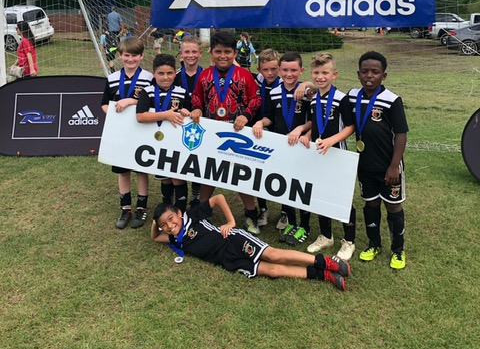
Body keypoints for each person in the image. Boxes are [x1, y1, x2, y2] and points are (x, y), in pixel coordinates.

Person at [151, 194, 351, 291]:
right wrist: (155, 224)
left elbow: (218, 198)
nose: (169, 226)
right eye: (164, 225)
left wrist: (231, 222)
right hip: (226, 261)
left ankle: (326, 262)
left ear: (179, 213)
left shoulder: (191, 215)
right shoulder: (174, 238)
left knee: (274, 255)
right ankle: (323, 275)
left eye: (171, 219)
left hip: (232, 241)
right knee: (274, 271)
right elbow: (155, 237)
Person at [340, 51, 408, 269]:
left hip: (388, 167)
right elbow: (332, 99)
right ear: (358, 74)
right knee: (371, 204)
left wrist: (394, 165)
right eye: (365, 71)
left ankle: (398, 250)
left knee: (393, 207)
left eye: (375, 72)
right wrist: (309, 88)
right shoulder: (352, 96)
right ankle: (374, 244)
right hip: (365, 165)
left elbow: (401, 134)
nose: (369, 76)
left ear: (383, 75)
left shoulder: (392, 100)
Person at [190, 30, 262, 234]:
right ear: (211, 52)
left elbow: (256, 98)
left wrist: (246, 115)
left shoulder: (244, 75)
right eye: (218, 51)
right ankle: (202, 211)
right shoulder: (204, 75)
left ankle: (251, 214)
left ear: (234, 53)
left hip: (237, 133)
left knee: (240, 174)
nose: (223, 56)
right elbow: (197, 96)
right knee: (209, 173)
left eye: (227, 52)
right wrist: (197, 108)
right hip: (212, 134)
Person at [295, 53, 357, 261]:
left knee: (342, 198)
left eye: (325, 73)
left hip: (338, 153)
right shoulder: (314, 98)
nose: (320, 77)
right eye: (316, 73)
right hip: (319, 153)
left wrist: (331, 140)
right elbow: (316, 123)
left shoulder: (341, 98)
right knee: (320, 194)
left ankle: (349, 241)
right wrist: (308, 135)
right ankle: (326, 236)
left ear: (334, 74)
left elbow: (350, 127)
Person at [252, 51, 311, 245]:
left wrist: (301, 129)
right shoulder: (274, 92)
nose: (289, 74)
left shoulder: (307, 92)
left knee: (301, 185)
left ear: (301, 70)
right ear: (280, 70)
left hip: (301, 146)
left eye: (293, 70)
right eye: (285, 70)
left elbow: (314, 119)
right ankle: (291, 222)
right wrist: (260, 122)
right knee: (286, 184)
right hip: (282, 146)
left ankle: (305, 225)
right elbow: (269, 117)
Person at [101, 37, 153, 229]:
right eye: (127, 55)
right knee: (122, 171)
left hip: (141, 131)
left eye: (135, 55)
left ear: (141, 56)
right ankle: (125, 209)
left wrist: (131, 101)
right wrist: (114, 116)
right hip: (120, 134)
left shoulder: (149, 78)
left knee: (141, 169)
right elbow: (104, 103)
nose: (130, 59)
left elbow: (153, 102)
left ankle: (141, 208)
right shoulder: (112, 78)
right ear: (120, 55)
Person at [137, 54, 191, 212]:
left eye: (169, 73)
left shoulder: (182, 92)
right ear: (153, 73)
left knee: (178, 177)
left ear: (175, 73)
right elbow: (140, 116)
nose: (165, 77)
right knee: (165, 178)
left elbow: (189, 112)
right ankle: (167, 209)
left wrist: (187, 111)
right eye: (161, 73)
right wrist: (165, 115)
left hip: (176, 143)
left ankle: (181, 212)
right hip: (157, 143)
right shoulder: (147, 92)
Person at [250, 48, 281, 227]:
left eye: (274, 69)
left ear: (279, 68)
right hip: (258, 132)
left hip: (279, 133)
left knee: (281, 172)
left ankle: (285, 212)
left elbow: (309, 86)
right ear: (259, 69)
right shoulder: (256, 80)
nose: (270, 73)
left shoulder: (286, 83)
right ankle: (263, 208)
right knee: (258, 172)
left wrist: (305, 83)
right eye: (265, 69)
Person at [174, 36, 203, 206]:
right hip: (179, 123)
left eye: (194, 51)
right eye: (187, 52)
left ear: (200, 53)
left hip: (201, 124)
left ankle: (197, 195)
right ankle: (180, 196)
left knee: (198, 160)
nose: (190, 55)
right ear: (181, 54)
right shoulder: (174, 76)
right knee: (180, 160)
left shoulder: (206, 75)